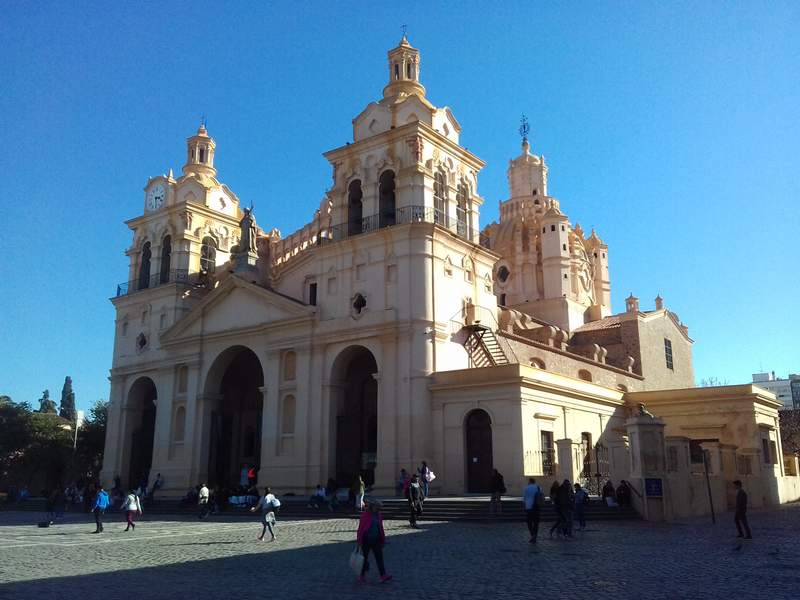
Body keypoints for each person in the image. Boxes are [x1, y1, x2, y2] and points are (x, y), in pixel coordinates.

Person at [356, 499, 392, 584]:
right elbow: (360, 529)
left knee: (379, 558)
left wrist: (383, 539)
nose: (378, 509)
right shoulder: (365, 515)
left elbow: (380, 528)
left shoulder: (378, 515)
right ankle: (361, 576)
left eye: (379, 508)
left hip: (376, 540)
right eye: (377, 507)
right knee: (364, 558)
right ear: (372, 507)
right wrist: (359, 541)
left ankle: (383, 575)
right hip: (366, 540)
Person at [523, 478, 542, 543]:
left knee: (529, 522)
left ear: (529, 481)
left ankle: (532, 534)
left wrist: (524, 506)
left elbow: (524, 498)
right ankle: (535, 535)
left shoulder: (526, 488)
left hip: (528, 507)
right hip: (536, 507)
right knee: (536, 523)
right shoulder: (538, 487)